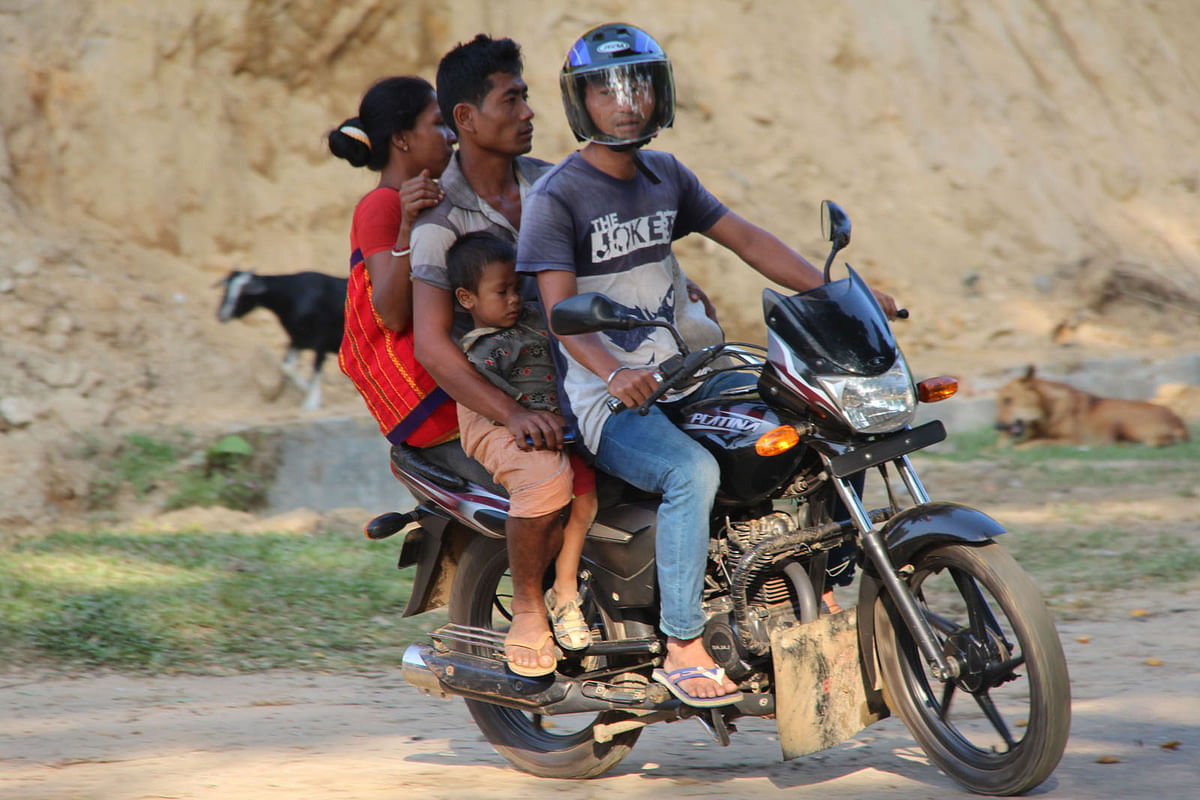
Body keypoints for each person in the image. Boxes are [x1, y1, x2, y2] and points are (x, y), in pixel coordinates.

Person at [518, 23, 898, 707]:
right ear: (580, 104)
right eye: (606, 90)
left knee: (813, 417)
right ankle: (683, 643)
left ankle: (823, 593)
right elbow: (558, 313)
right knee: (693, 471)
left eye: (638, 86)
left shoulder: (667, 176)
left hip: (684, 373)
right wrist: (611, 373)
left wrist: (841, 292)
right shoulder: (558, 198)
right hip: (611, 400)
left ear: (660, 94)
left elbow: (747, 239)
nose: (625, 102)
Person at [408, 34, 568, 677]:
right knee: (547, 479)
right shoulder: (438, 218)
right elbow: (431, 342)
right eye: (512, 99)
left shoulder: (556, 185)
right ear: (466, 119)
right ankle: (528, 608)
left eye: (527, 97)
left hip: (571, 376)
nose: (528, 112)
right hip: (500, 394)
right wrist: (508, 412)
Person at [447, 231, 597, 661]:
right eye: (502, 292)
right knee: (547, 482)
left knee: (586, 501)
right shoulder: (484, 349)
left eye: (517, 288)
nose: (515, 299)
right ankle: (527, 605)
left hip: (559, 427)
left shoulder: (533, 318)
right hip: (512, 427)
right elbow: (488, 397)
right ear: (466, 298)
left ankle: (564, 589)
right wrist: (518, 418)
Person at [328, 76, 458, 448]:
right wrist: (406, 229)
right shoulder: (382, 205)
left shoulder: (425, 198)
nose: (451, 135)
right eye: (438, 123)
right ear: (401, 139)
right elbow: (393, 314)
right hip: (430, 401)